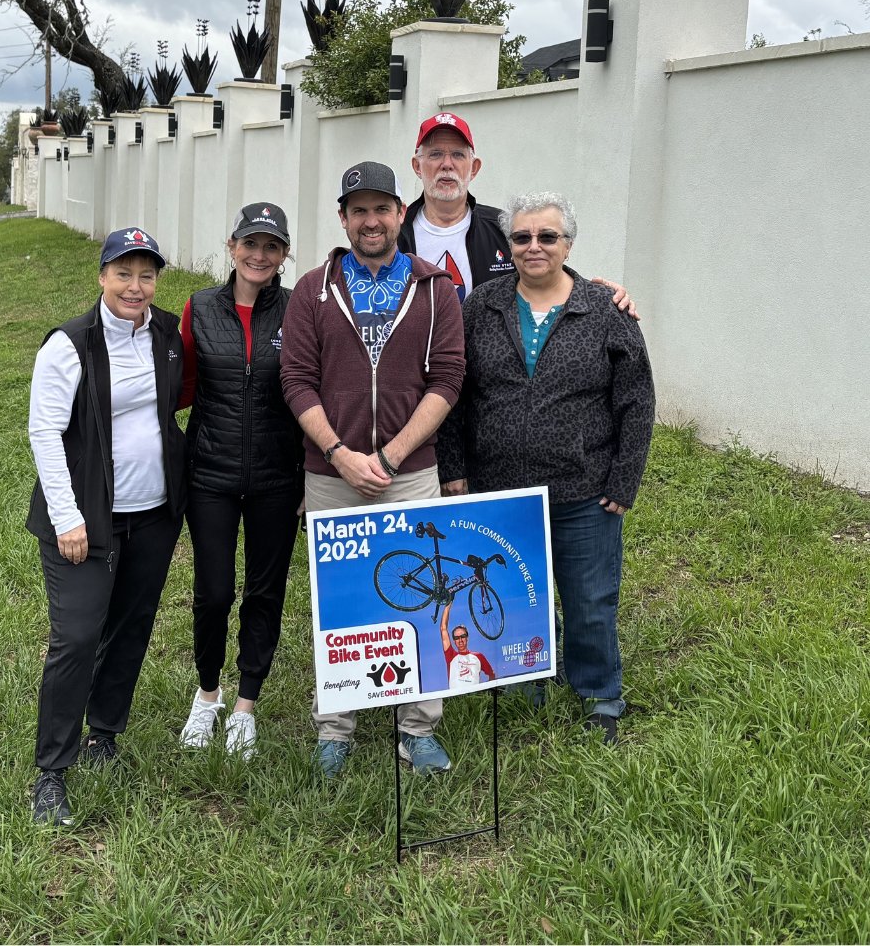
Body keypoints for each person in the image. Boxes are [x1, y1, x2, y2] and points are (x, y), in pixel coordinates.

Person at [438, 193, 654, 745]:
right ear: (508, 246)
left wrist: (624, 480)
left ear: (568, 245)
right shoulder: (480, 307)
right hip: (501, 491)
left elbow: (636, 402)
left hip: (584, 489)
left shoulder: (605, 310)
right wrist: (455, 468)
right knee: (517, 596)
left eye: (547, 237)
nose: (533, 247)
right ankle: (525, 681)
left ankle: (599, 692)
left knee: (589, 600)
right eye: (521, 238)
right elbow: (455, 394)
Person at [280, 160, 465, 778]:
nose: (371, 220)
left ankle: (418, 729)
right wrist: (339, 453)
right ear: (343, 218)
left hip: (411, 472)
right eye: (358, 210)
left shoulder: (435, 288)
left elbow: (448, 380)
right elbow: (297, 381)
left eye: (382, 208)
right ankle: (336, 729)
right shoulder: (314, 289)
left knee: (426, 594)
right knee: (343, 600)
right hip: (331, 472)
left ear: (401, 213)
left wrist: (389, 456)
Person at [26, 227, 186, 825]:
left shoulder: (167, 333)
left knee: (132, 625)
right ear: (102, 276)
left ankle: (104, 735)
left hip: (152, 512)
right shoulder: (68, 345)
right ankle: (51, 771)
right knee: (77, 636)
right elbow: (44, 433)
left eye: (146, 275)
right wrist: (68, 518)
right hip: (84, 519)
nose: (135, 287)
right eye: (124, 273)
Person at [176, 202, 304, 760]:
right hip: (210, 473)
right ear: (232, 247)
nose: (260, 255)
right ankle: (208, 695)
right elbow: (178, 387)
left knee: (264, 591)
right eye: (251, 243)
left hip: (279, 476)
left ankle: (246, 706)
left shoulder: (300, 310)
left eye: (272, 246)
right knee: (213, 592)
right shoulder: (200, 308)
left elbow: (314, 388)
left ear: (283, 255)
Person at [398, 111, 636, 312]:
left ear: (474, 168)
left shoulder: (506, 228)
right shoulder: (395, 233)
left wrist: (603, 297)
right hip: (416, 365)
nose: (447, 164)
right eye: (435, 154)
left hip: (487, 363)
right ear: (417, 166)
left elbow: (546, 274)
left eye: (458, 154)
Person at [440, 601, 495, 689]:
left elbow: (492, 674)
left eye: (463, 636)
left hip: (474, 698)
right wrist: (448, 605)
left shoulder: (478, 656)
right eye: (457, 638)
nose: (460, 640)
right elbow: (443, 628)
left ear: (467, 638)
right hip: (457, 699)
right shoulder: (451, 656)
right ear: (454, 641)